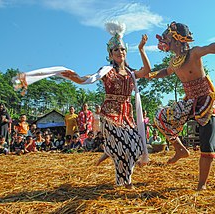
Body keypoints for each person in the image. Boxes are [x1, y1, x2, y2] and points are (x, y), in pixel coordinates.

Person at [150, 21, 215, 190]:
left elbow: (211, 48)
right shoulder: (174, 62)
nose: (164, 41)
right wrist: (150, 74)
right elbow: (166, 72)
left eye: (167, 37)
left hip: (205, 101)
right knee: (160, 117)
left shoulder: (194, 53)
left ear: (177, 39)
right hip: (188, 102)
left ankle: (201, 184)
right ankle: (180, 150)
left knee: (207, 143)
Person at [60, 22, 151, 188]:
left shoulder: (131, 73)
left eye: (122, 49)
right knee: (125, 147)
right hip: (110, 115)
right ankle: (124, 182)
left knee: (137, 146)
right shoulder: (107, 70)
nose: (120, 52)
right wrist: (75, 77)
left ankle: (110, 149)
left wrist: (142, 49)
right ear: (110, 54)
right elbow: (89, 78)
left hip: (127, 116)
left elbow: (146, 70)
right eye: (116, 50)